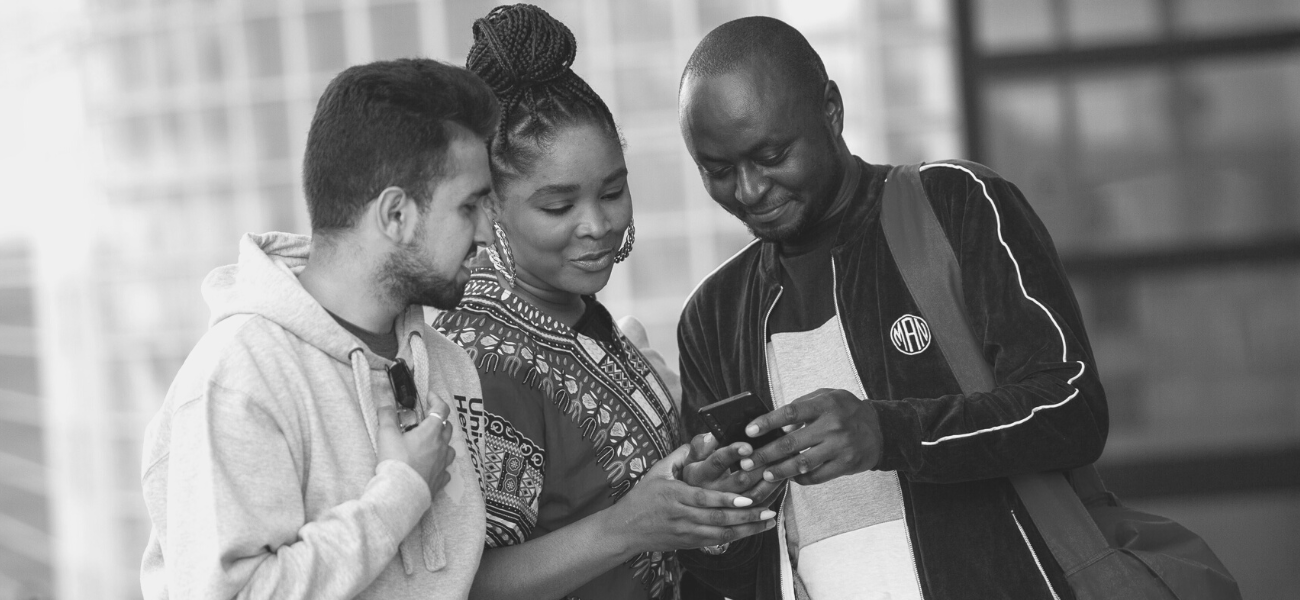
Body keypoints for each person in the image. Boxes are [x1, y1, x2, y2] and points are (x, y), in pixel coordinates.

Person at [673, 16, 1109, 600]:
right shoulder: (712, 317)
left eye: (772, 155)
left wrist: (886, 431)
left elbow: (1072, 410)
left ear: (831, 110)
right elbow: (731, 572)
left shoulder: (956, 204)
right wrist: (713, 518)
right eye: (718, 171)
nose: (749, 191)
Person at [430, 5, 775, 600]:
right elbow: (467, 584)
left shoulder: (580, 316)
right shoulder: (478, 360)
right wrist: (626, 528)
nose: (597, 224)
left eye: (612, 191)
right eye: (558, 207)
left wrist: (696, 490)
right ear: (490, 207)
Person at [139, 58, 498, 599]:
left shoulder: (448, 367)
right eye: (470, 206)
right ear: (396, 214)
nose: (489, 233)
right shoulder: (238, 378)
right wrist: (399, 495)